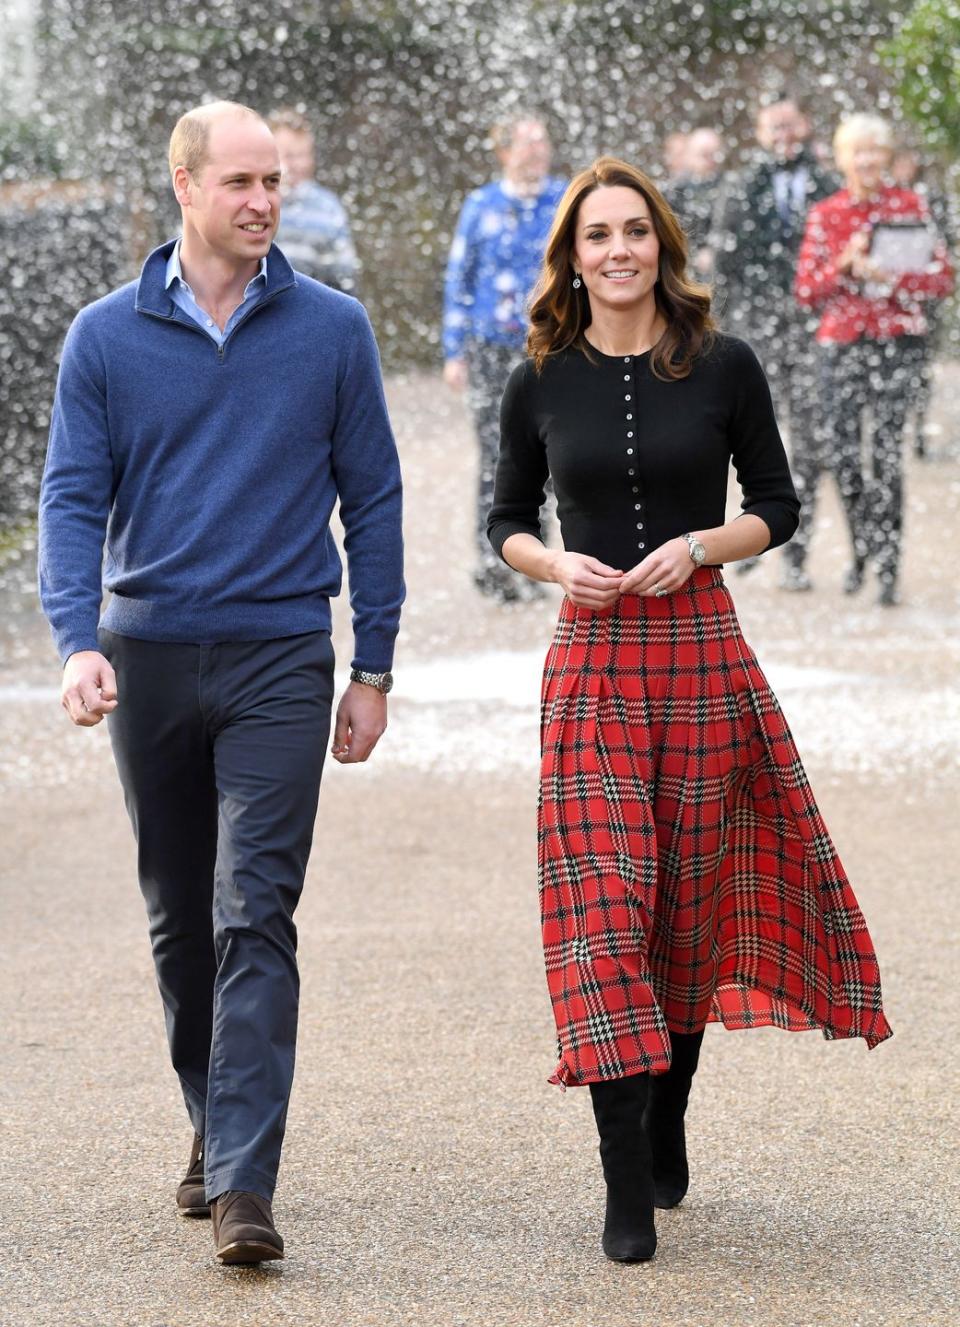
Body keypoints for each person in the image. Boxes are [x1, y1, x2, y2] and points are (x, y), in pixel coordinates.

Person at [487, 156, 892, 1265]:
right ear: (572, 257)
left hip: (702, 654)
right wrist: (553, 564)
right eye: (596, 236)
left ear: (662, 244)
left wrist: (701, 547)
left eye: (635, 232)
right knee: (604, 907)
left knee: (688, 911)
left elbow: (779, 504)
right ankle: (624, 1184)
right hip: (591, 666)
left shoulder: (728, 365)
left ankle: (667, 1114)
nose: (617, 251)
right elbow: (504, 517)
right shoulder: (537, 376)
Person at [37, 101, 404, 1265]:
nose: (262, 201)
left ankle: (245, 1178)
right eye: (241, 181)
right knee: (177, 920)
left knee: (256, 909)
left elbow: (377, 499)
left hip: (281, 656)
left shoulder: (333, 329)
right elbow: (70, 500)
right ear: (184, 185)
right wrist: (75, 638)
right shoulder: (103, 336)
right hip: (143, 658)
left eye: (275, 183)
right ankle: (211, 1118)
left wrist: (375, 660)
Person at [794, 113, 953, 605]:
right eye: (856, 151)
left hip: (897, 343)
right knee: (841, 456)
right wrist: (844, 262)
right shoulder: (828, 213)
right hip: (841, 344)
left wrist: (888, 277)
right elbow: (806, 290)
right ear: (841, 159)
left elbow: (940, 279)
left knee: (885, 455)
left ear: (887, 157)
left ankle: (888, 564)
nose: (865, 160)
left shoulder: (909, 207)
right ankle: (862, 545)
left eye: (874, 150)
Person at [714, 95, 837, 591]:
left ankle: (795, 554)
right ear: (760, 132)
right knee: (746, 439)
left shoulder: (828, 184)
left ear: (805, 126)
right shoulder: (741, 186)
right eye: (774, 126)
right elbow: (725, 265)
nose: (784, 134)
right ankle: (744, 540)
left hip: (813, 329)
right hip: (756, 330)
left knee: (807, 443)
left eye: (791, 124)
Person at [442, 114, 566, 601]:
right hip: (492, 348)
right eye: (526, 144)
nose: (537, 153)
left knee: (554, 455)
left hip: (551, 346)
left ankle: (542, 562)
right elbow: (459, 279)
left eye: (543, 143)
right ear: (503, 152)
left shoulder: (563, 200)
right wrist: (454, 351)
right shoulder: (482, 205)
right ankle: (493, 563)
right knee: (496, 456)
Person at [890, 146, 956, 459]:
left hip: (922, 300)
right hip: (894, 299)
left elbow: (944, 243)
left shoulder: (930, 200)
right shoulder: (886, 200)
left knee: (920, 369)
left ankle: (917, 428)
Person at [267, 107, 360, 293]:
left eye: (303, 155)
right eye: (288, 156)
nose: (296, 165)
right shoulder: (254, 201)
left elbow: (344, 277)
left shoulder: (327, 208)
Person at [663, 126, 725, 279]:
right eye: (704, 155)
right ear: (689, 156)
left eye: (714, 154)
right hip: (684, 268)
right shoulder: (674, 192)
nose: (710, 161)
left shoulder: (730, 187)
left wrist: (714, 251)